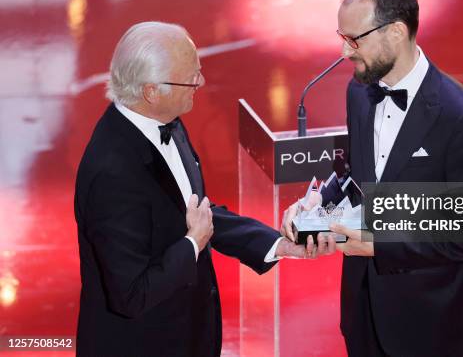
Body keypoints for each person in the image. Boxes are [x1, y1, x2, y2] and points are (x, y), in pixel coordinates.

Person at [74, 21, 335, 357]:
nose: (201, 82)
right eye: (191, 77)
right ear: (152, 91)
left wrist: (277, 244)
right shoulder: (113, 173)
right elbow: (131, 295)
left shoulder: (164, 119)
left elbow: (196, 212)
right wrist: (191, 244)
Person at [282, 0, 463, 357]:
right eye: (341, 38)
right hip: (362, 312)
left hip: (429, 324)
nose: (345, 52)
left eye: (354, 39)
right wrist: (319, 202)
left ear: (396, 32)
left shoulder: (462, 117)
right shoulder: (359, 91)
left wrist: (380, 244)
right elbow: (359, 173)